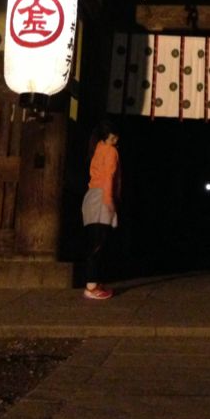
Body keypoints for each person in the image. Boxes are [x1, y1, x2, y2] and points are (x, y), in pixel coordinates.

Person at [81, 118, 121, 300]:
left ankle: (94, 282)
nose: (116, 140)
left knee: (94, 241)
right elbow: (109, 177)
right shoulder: (111, 151)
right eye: (113, 137)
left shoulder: (97, 148)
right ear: (106, 137)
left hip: (91, 195)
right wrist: (109, 200)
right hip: (102, 196)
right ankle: (91, 286)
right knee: (98, 243)